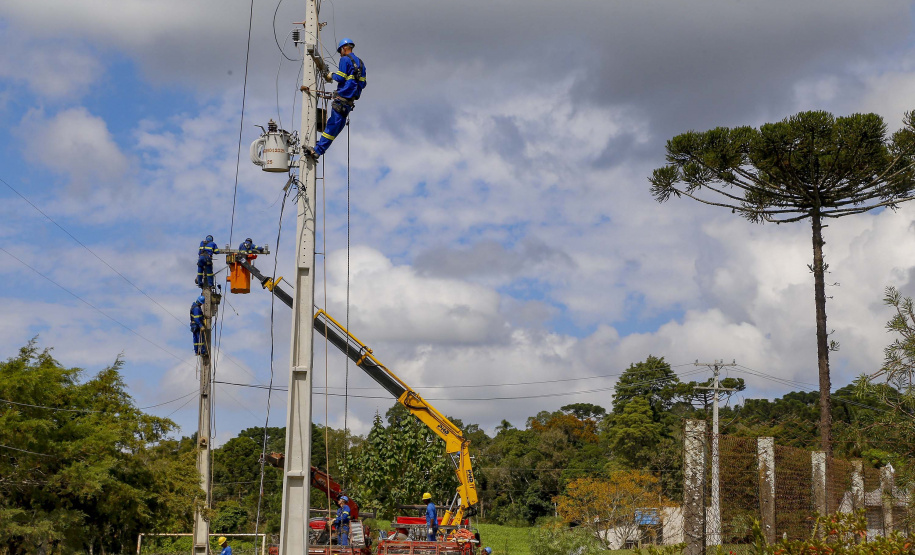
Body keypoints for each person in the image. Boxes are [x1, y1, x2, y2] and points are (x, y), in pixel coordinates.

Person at [303, 38, 366, 161]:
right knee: (335, 129)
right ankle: (319, 150)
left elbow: (341, 77)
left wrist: (330, 75)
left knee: (331, 127)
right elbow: (363, 84)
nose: (340, 54)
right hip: (349, 103)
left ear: (344, 48)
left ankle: (317, 150)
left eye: (340, 51)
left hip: (342, 99)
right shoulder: (361, 63)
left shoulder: (345, 59)